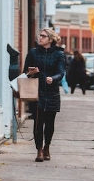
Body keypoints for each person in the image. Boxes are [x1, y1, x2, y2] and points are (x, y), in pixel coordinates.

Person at [23, 28, 66, 162]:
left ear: (51, 39)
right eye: (39, 35)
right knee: (38, 122)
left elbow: (61, 72)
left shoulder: (59, 54)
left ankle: (47, 146)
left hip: (52, 92)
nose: (40, 38)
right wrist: (32, 72)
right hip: (36, 91)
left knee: (49, 123)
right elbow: (25, 71)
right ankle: (39, 150)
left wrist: (53, 78)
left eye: (43, 36)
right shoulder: (33, 53)